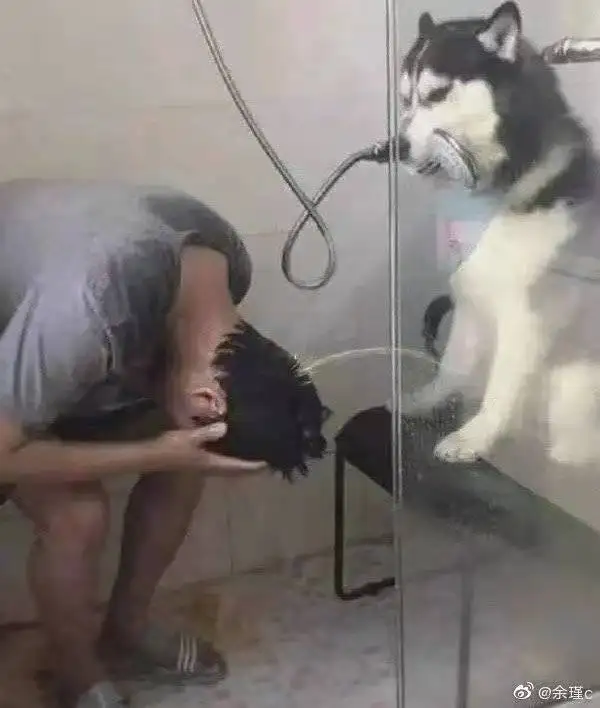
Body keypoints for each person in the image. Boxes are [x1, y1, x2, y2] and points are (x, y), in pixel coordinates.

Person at [0, 179, 328, 708]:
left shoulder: (224, 267)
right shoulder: (88, 307)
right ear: (208, 396)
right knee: (77, 516)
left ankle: (126, 629)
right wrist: (159, 451)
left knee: (186, 461)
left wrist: (179, 454)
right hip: (23, 325)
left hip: (44, 311)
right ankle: (76, 674)